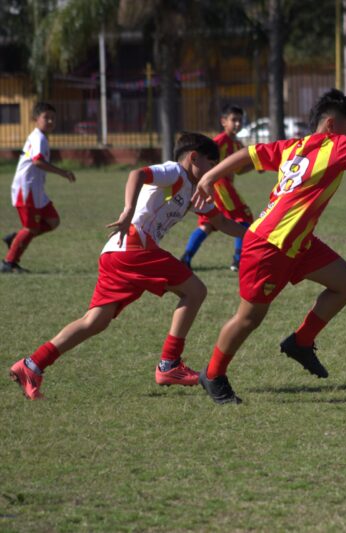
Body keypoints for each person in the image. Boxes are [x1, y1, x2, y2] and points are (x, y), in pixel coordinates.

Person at [192, 89, 346, 404]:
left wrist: (210, 177)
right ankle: (213, 375)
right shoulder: (335, 145)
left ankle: (301, 342)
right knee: (248, 318)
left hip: (299, 242)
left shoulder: (292, 147)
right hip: (269, 245)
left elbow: (249, 154)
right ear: (332, 124)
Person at [8, 133, 247, 400]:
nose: (214, 171)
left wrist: (257, 235)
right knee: (195, 291)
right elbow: (137, 174)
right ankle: (169, 364)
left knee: (95, 321)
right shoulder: (175, 172)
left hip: (116, 253)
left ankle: (31, 365)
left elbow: (222, 223)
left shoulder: (192, 190)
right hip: (134, 247)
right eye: (211, 164)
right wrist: (128, 210)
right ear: (193, 158)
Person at [3, 102, 76, 273]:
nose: (50, 121)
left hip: (36, 191)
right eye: (46, 117)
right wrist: (63, 173)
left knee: (53, 221)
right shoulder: (39, 138)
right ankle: (8, 263)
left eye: (53, 118)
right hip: (26, 189)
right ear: (36, 119)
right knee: (31, 228)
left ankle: (18, 239)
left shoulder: (40, 137)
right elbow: (37, 161)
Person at [180, 105, 253, 271]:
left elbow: (238, 170)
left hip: (221, 186)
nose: (237, 124)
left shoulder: (236, 144)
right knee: (243, 217)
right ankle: (238, 260)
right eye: (234, 120)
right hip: (220, 185)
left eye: (240, 120)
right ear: (223, 121)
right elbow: (203, 160)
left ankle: (186, 258)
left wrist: (255, 165)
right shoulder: (219, 142)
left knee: (208, 224)